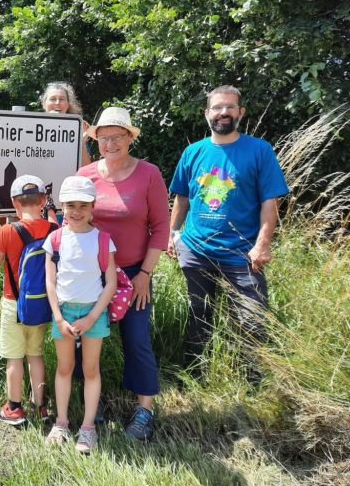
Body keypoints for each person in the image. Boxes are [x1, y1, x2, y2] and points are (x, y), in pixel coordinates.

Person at [167, 85, 289, 383]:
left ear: (240, 113)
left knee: (253, 319)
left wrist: (263, 244)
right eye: (218, 108)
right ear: (207, 113)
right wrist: (172, 234)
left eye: (230, 107)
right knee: (199, 317)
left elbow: (269, 201)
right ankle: (194, 378)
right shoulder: (193, 152)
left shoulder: (259, 150)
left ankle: (254, 382)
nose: (224, 113)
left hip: (243, 253)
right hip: (196, 251)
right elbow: (181, 198)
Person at [78, 106, 170, 441]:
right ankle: (93, 403)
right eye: (104, 137)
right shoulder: (85, 175)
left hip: (134, 273)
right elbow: (73, 221)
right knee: (88, 339)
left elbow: (161, 228)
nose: (110, 143)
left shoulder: (149, 174)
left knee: (136, 339)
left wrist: (145, 273)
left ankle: (145, 410)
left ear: (130, 138)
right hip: (93, 273)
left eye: (117, 136)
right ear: (96, 139)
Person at [42, 176, 116, 454]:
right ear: (61, 205)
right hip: (64, 312)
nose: (76, 211)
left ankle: (88, 428)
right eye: (70, 205)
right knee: (64, 368)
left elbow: (110, 283)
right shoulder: (55, 240)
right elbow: (50, 282)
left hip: (93, 313)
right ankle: (61, 423)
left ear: (93, 206)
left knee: (90, 369)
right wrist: (59, 317)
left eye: (83, 205)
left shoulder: (103, 240)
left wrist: (92, 317)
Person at [0, 175, 56, 426]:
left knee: (14, 357)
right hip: (41, 304)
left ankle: (14, 408)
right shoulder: (52, 230)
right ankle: (41, 407)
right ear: (43, 201)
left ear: (15, 204)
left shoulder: (8, 231)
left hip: (13, 303)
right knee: (35, 355)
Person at [41, 81, 92, 167]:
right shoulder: (31, 127)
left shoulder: (78, 129)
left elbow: (86, 169)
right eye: (53, 99)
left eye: (62, 99)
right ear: (44, 104)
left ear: (68, 104)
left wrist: (82, 143)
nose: (57, 103)